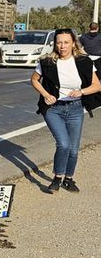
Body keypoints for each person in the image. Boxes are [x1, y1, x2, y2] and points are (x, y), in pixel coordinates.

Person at [31, 28, 101, 193]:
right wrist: (46, 94)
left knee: (74, 149)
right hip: (53, 109)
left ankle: (68, 179)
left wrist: (81, 92)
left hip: (75, 108)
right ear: (55, 44)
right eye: (59, 42)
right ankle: (57, 178)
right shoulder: (47, 62)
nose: (62, 46)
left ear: (73, 43)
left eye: (66, 42)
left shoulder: (84, 62)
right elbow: (34, 80)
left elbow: (97, 86)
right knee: (63, 144)